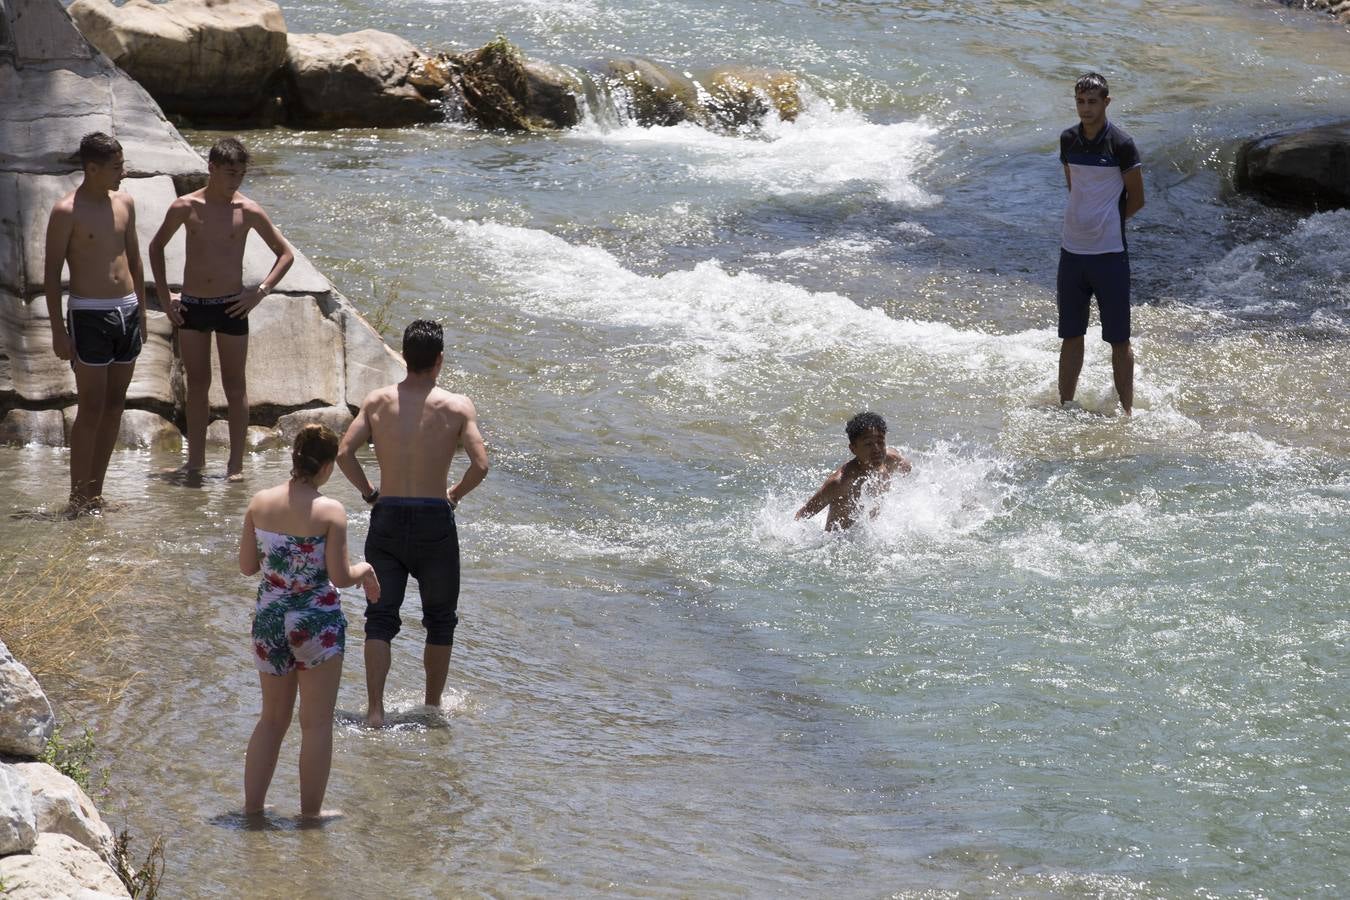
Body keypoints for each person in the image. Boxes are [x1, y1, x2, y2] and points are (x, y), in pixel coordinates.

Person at [337, 319, 489, 728]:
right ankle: (431, 708)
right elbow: (480, 465)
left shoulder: (377, 402)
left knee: (380, 617)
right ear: (439, 359)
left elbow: (344, 453)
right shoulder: (457, 406)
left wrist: (370, 493)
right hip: (433, 519)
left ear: (404, 357)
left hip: (387, 516)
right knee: (440, 619)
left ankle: (374, 711)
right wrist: (454, 495)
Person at [238, 423, 380, 821]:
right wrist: (366, 569)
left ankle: (252, 809)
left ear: (294, 458)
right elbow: (340, 576)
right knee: (315, 724)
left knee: (271, 719)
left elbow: (247, 566)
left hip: (269, 620)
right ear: (328, 466)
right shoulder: (330, 511)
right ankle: (309, 815)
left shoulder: (259, 503)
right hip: (316, 623)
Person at [149, 137, 294, 481]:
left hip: (231, 307)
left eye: (241, 174)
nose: (236, 180)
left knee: (235, 386)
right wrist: (166, 296)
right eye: (230, 173)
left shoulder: (248, 210)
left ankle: (235, 466)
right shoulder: (186, 206)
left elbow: (285, 254)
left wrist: (259, 293)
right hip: (193, 305)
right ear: (211, 168)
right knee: (197, 384)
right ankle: (195, 462)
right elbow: (156, 247)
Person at [43, 132, 147, 516]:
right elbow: (51, 274)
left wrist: (143, 314)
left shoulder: (125, 202)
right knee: (91, 407)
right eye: (117, 167)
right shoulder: (66, 211)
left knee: (115, 405)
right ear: (92, 168)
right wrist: (58, 330)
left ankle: (95, 495)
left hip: (127, 311)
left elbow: (135, 259)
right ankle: (76, 499)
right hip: (89, 314)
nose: (123, 173)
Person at [1056, 72, 1145, 416]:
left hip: (1109, 256)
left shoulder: (1122, 144)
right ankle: (1065, 406)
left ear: (1106, 102)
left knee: (1119, 340)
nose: (1086, 108)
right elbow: (1075, 188)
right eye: (1080, 101)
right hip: (1072, 253)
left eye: (1092, 102)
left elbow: (1137, 198)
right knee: (1071, 335)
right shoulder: (1068, 140)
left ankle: (1127, 414)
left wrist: (1107, 222)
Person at [796, 412, 911, 531]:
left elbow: (909, 472)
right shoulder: (840, 483)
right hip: (839, 539)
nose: (876, 449)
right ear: (853, 449)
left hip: (872, 532)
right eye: (868, 444)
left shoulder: (892, 460)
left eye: (880, 442)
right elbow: (801, 517)